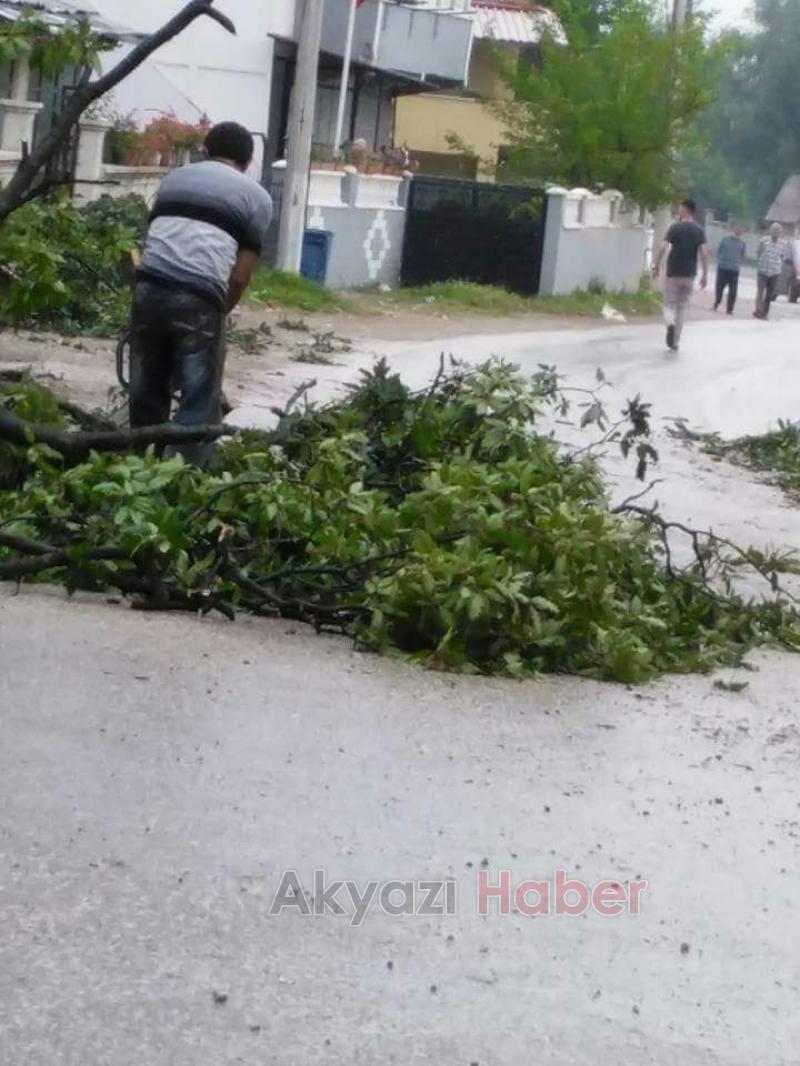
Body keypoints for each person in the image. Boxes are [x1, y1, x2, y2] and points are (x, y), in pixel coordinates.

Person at [129, 121, 273, 464]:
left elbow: (158, 239)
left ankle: (138, 469)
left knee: (147, 392)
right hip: (199, 297)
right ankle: (186, 483)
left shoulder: (174, 179)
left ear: (204, 152)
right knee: (198, 400)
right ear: (248, 163)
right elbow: (239, 279)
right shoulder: (257, 197)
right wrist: (216, 318)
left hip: (147, 288)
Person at [652, 198, 709, 351]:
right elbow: (704, 252)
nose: (678, 211)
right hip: (689, 274)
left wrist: (656, 266)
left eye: (680, 208)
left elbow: (663, 247)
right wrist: (705, 274)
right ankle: (675, 341)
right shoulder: (699, 230)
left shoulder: (675, 227)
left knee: (668, 304)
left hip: (673, 272)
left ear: (685, 210)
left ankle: (670, 325)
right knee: (682, 307)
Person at [754, 223, 785, 319]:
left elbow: (782, 257)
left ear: (780, 233)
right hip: (763, 271)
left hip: (774, 272)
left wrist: (778, 267)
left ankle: (764, 312)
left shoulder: (783, 244)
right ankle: (758, 311)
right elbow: (758, 253)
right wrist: (760, 264)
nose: (776, 232)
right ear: (770, 231)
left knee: (769, 294)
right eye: (774, 230)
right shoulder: (764, 241)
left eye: (778, 231)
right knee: (760, 292)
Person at [714, 224, 746, 314]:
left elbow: (742, 255)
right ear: (734, 230)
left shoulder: (742, 243)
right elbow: (719, 250)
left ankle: (729, 308)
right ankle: (717, 303)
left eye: (740, 231)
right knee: (720, 287)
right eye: (738, 230)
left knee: (732, 290)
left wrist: (738, 263)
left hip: (733, 269)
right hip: (724, 267)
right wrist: (720, 260)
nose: (739, 232)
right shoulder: (726, 239)